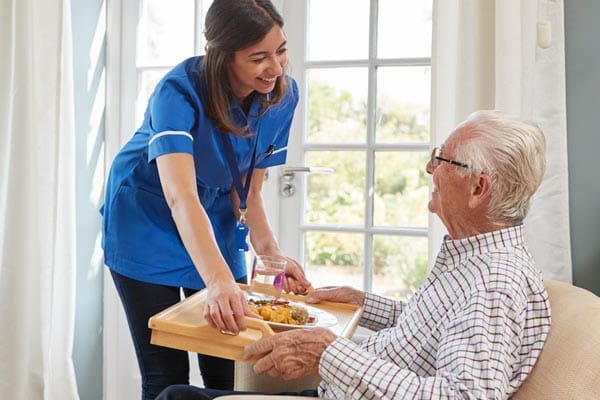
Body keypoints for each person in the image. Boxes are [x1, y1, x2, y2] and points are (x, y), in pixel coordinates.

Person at [154, 110, 552, 400]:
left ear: (478, 188)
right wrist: (364, 302)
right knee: (179, 395)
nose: (430, 167)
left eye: (443, 158)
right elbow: (437, 328)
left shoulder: (494, 286)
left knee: (175, 398)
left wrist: (328, 353)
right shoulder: (476, 259)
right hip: (336, 392)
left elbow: (465, 398)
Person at [100, 0, 311, 398]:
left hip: (212, 212)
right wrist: (217, 281)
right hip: (147, 214)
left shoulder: (282, 96)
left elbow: (246, 188)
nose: (277, 68)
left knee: (229, 360)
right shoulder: (178, 91)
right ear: (223, 56)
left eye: (281, 50)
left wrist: (272, 255)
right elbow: (179, 197)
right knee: (167, 374)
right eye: (258, 58)